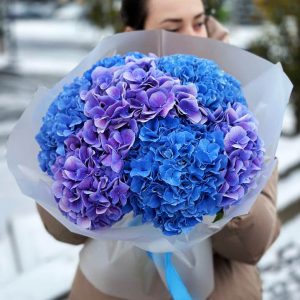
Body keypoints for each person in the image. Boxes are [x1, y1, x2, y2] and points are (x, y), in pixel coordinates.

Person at [36, 0, 281, 299]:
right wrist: (105, 192)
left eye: (200, 22)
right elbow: (62, 231)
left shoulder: (243, 101)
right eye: (173, 28)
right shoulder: (98, 90)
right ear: (134, 33)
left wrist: (221, 194)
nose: (193, 36)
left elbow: (254, 245)